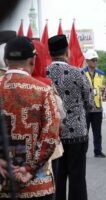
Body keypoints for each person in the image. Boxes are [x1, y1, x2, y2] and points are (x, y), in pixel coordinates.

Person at [0, 36, 60, 199]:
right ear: (33, 60)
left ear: (6, 60)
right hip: (37, 185)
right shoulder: (43, 91)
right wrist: (29, 169)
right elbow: (51, 134)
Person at [46, 35, 93, 200]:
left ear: (50, 53)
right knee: (77, 177)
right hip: (77, 134)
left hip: (53, 134)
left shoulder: (44, 74)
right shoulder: (77, 73)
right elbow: (89, 102)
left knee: (57, 177)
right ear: (67, 51)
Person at [83, 49, 106, 158]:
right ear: (87, 61)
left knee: (97, 132)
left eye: (96, 60)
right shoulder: (81, 73)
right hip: (85, 108)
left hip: (97, 107)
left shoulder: (101, 74)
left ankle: (98, 151)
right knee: (84, 132)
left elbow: (103, 88)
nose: (95, 62)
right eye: (92, 60)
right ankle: (83, 152)